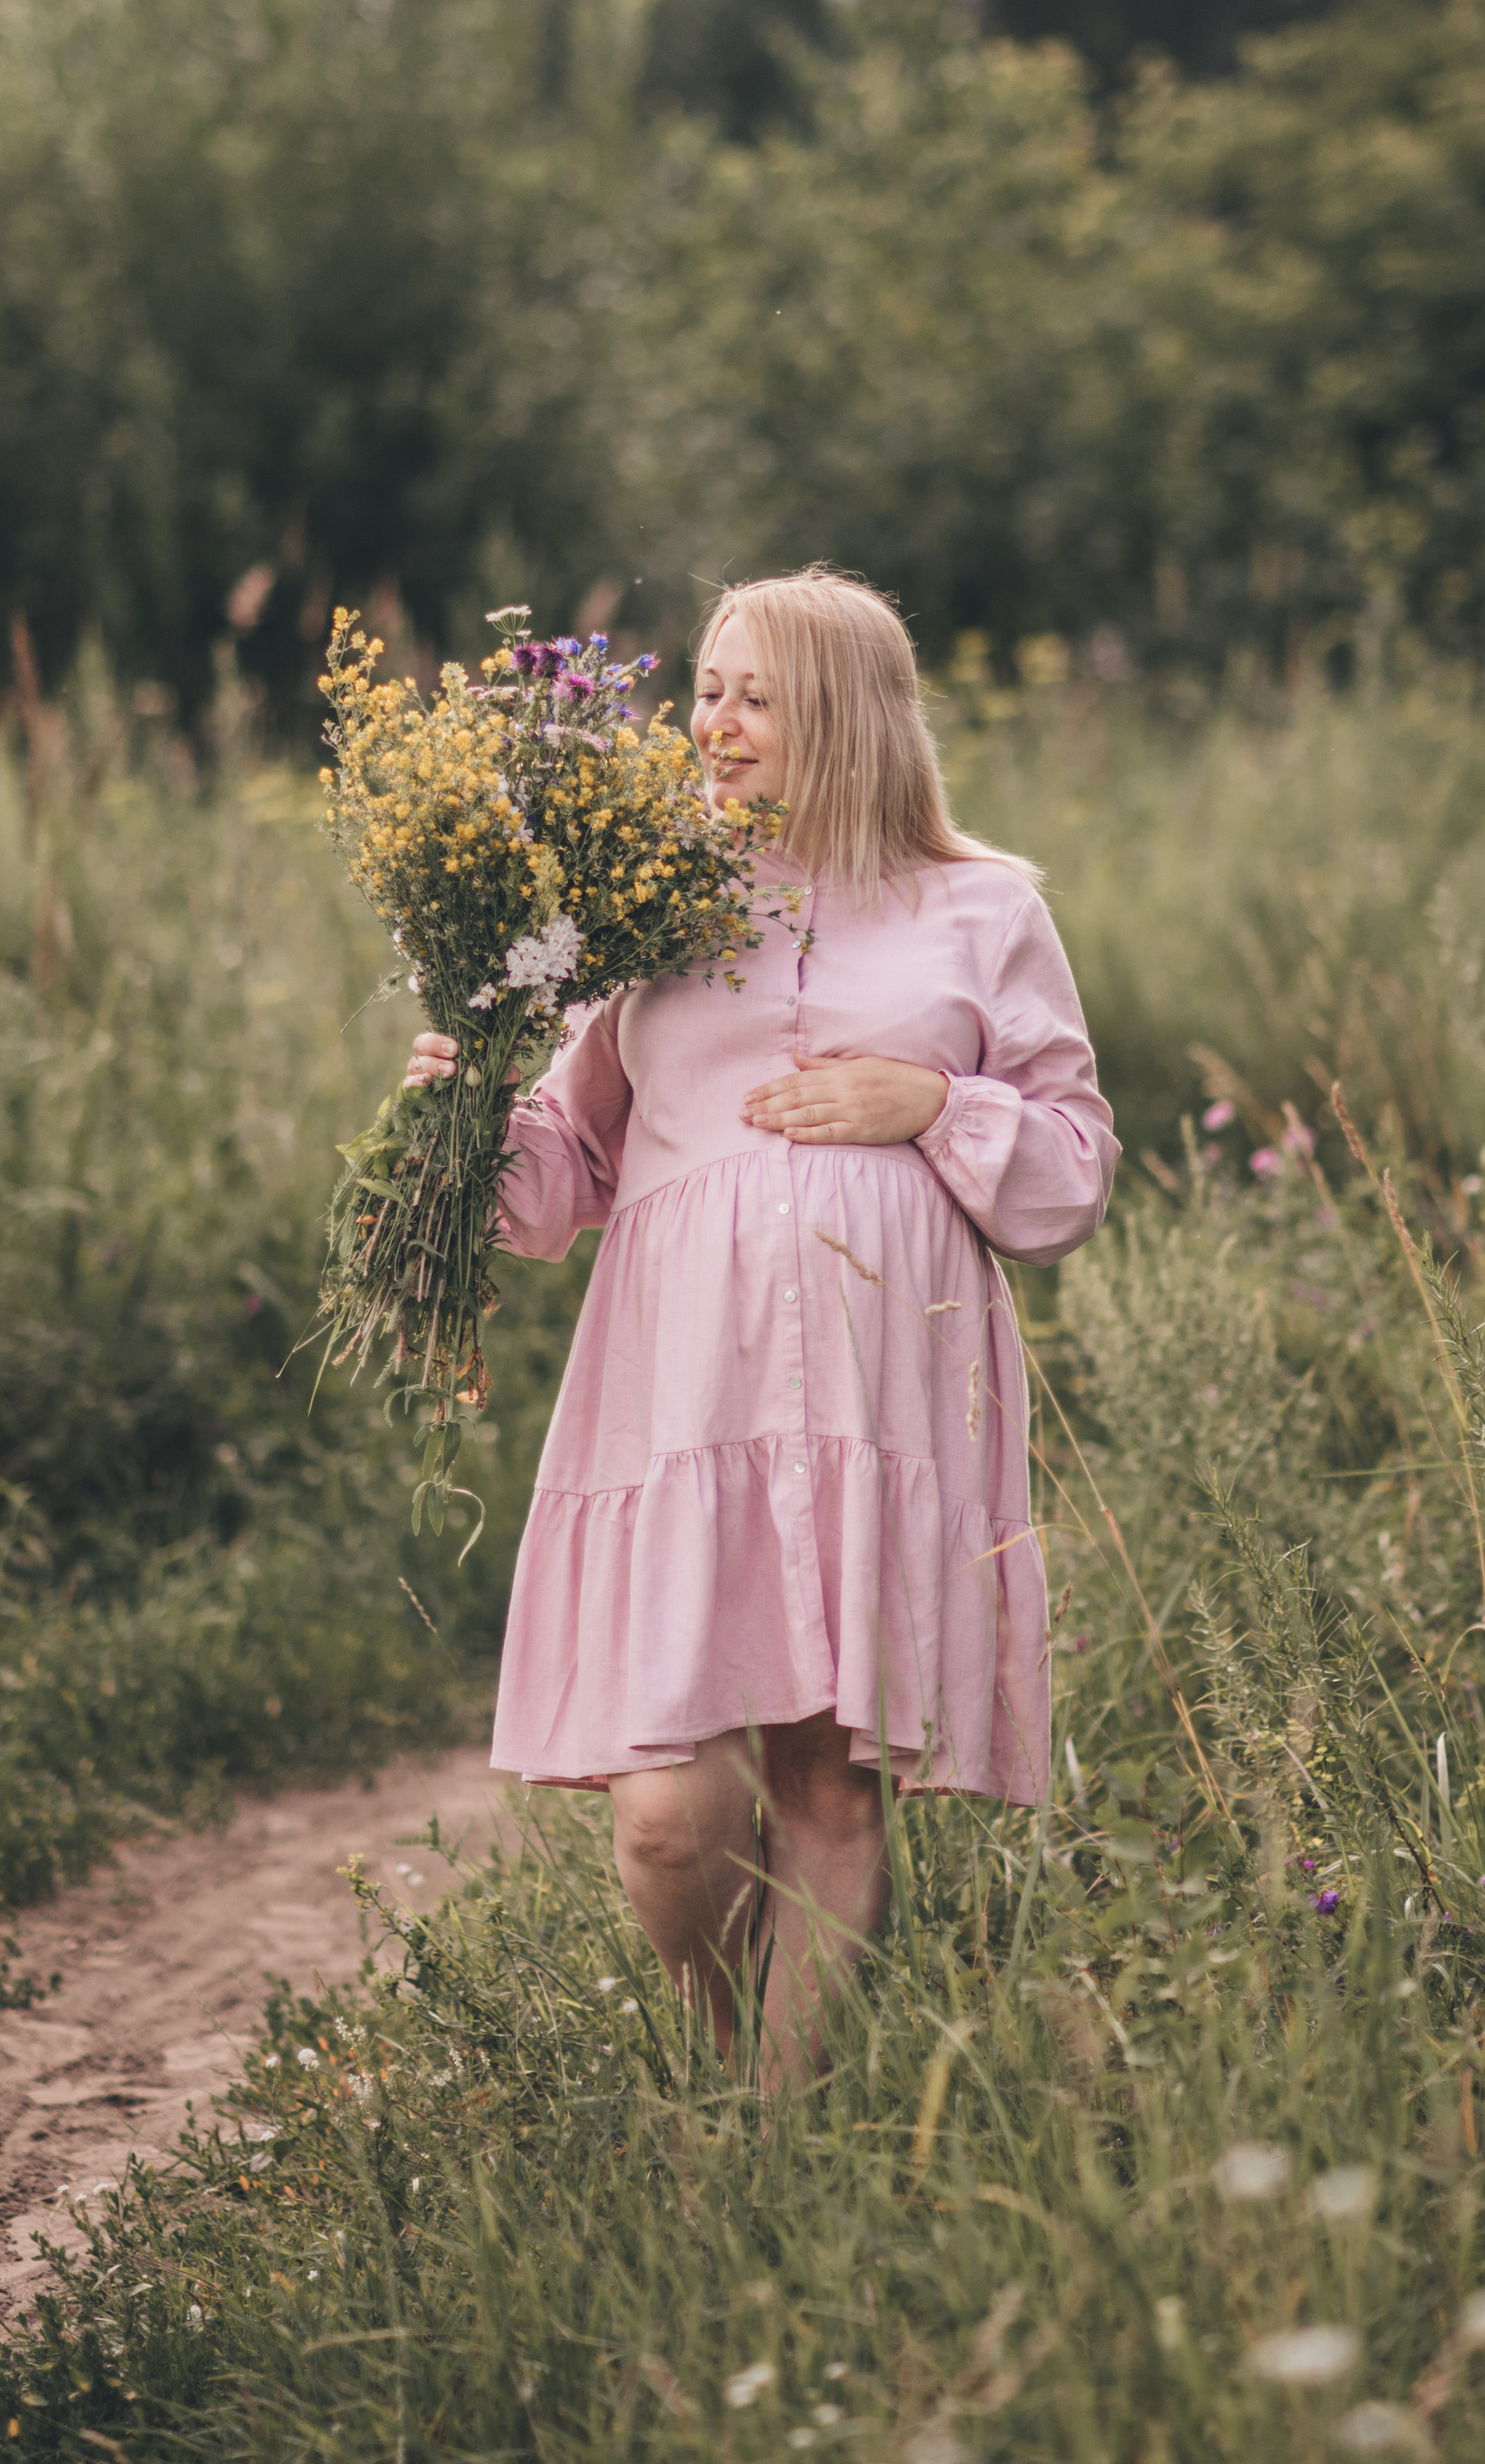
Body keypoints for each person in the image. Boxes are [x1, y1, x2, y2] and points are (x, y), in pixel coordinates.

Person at [405, 568, 1117, 2083]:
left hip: (884, 1398)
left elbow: (1069, 1177)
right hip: (684, 1397)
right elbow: (563, 1180)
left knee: (831, 1792)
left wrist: (932, 1101)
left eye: (751, 697)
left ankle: (760, 2142)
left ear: (845, 722)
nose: (709, 725)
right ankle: (726, 2044)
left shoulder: (983, 910)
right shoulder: (646, 899)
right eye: (705, 690)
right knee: (668, 1815)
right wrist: (460, 1122)